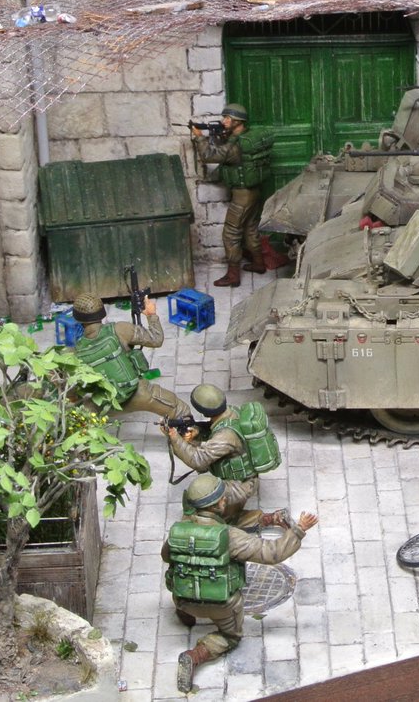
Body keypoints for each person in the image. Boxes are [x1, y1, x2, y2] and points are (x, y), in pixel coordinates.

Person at [163, 474, 317, 693]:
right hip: (221, 605)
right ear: (218, 504)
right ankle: (195, 656)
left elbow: (166, 556)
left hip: (183, 599)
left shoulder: (178, 530)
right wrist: (298, 530)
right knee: (230, 637)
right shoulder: (230, 536)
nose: (226, 500)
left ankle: (185, 615)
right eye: (222, 498)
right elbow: (270, 553)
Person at [164, 383, 287, 531]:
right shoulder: (232, 412)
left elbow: (198, 461)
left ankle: (268, 518)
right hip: (242, 478)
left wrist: (174, 438)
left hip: (238, 486)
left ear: (204, 412)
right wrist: (198, 431)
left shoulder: (225, 436)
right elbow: (214, 429)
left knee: (208, 517)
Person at [190, 103, 276, 287]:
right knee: (250, 228)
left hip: (241, 196)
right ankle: (259, 263)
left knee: (230, 234)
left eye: (228, 118)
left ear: (238, 121)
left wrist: (199, 137)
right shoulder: (246, 138)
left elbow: (208, 156)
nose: (224, 121)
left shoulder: (234, 147)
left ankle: (233, 275)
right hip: (253, 192)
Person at [71, 293, 190, 421]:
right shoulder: (120, 329)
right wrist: (151, 315)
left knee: (80, 416)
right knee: (181, 411)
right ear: (102, 312)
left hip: (107, 404)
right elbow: (156, 339)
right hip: (140, 393)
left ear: (77, 318)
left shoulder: (75, 352)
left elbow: (73, 390)